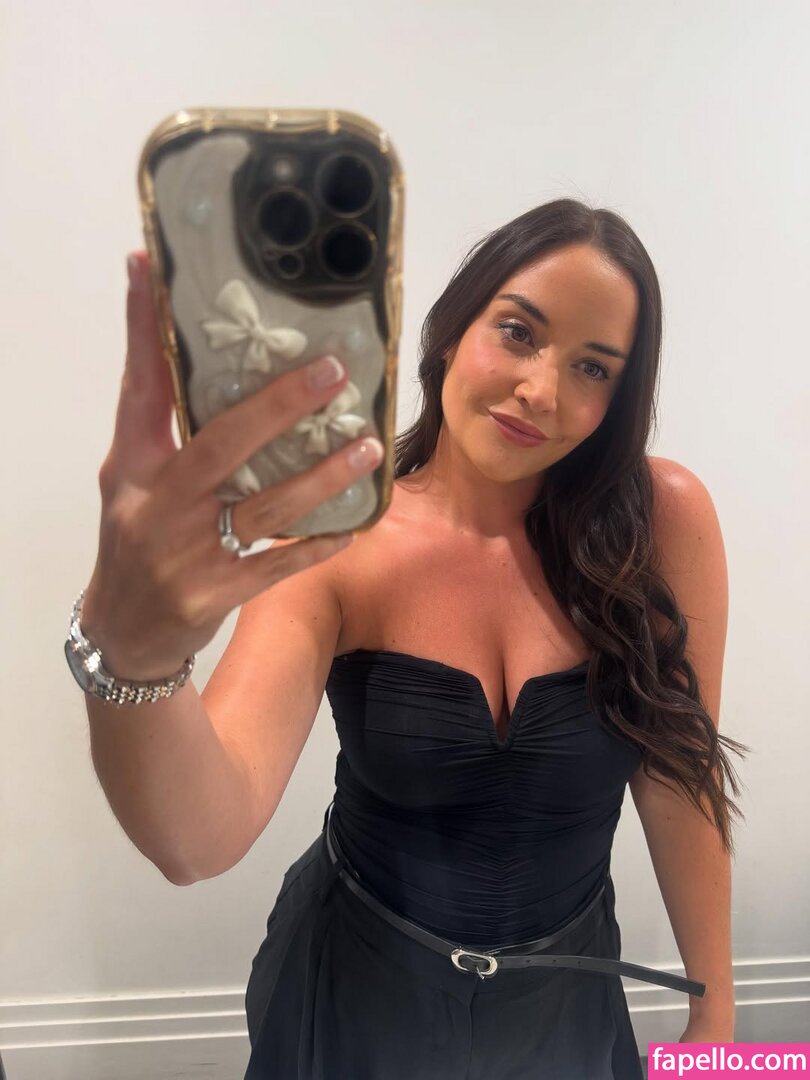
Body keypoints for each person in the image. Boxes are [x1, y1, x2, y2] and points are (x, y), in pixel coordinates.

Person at [71, 198, 748, 1079]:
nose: (541, 390)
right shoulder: (339, 535)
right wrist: (135, 653)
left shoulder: (662, 523)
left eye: (591, 367)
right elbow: (197, 839)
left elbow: (680, 777)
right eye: (518, 332)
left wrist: (715, 1014)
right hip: (356, 986)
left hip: (567, 996)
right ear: (451, 330)